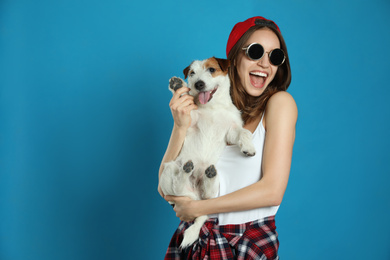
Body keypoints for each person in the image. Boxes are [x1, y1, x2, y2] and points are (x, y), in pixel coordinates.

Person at [158, 16, 297, 259]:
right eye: (255, 52)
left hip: (245, 241)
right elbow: (163, 186)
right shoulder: (210, 107)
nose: (265, 63)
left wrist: (198, 208)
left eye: (275, 56)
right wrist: (180, 126)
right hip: (197, 241)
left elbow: (273, 190)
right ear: (232, 60)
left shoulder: (279, 104)